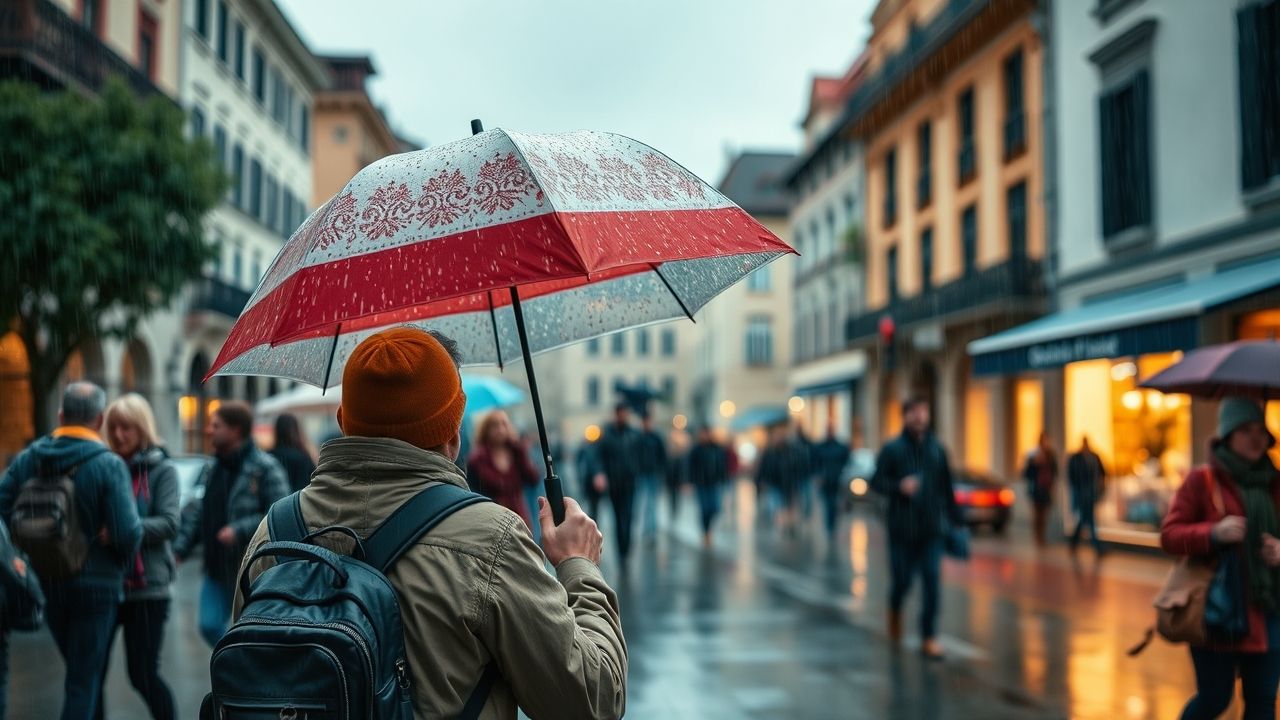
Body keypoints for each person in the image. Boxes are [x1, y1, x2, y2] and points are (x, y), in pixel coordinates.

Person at [233, 327, 627, 718]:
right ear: (453, 431)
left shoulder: (274, 531)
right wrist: (580, 566)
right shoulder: (492, 539)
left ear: (343, 420)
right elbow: (593, 701)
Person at [0, 382, 142, 720]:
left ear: (61, 415)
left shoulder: (28, 459)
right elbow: (128, 533)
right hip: (98, 586)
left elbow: (3, 511)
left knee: (78, 674)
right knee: (82, 681)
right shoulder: (108, 464)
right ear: (99, 419)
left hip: (48, 578)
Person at [1163, 397, 1280, 720]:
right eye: (1245, 430)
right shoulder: (1202, 480)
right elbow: (1170, 535)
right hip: (1220, 611)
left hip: (1269, 608)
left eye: (1261, 431)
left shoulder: (1275, 481)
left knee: (1262, 701)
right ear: (1227, 434)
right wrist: (1214, 533)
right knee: (1215, 699)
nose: (1256, 439)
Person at [174, 401, 287, 648]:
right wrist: (180, 549)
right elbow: (199, 514)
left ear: (235, 430)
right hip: (216, 567)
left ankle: (243, 667)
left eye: (216, 425)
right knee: (209, 625)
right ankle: (236, 661)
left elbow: (279, 514)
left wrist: (239, 529)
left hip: (248, 568)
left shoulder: (265, 468)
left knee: (248, 631)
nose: (209, 430)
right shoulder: (213, 467)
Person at [95, 394, 179, 720]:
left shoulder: (162, 470)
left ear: (141, 428)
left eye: (126, 427)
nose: (118, 435)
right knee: (94, 672)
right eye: (113, 427)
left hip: (148, 588)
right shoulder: (105, 468)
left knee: (142, 674)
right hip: (108, 581)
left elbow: (170, 523)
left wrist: (122, 530)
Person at [870, 396, 961, 660]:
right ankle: (895, 609)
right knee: (903, 581)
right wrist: (899, 487)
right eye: (914, 412)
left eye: (924, 410)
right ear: (905, 416)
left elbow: (947, 488)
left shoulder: (937, 449)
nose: (920, 416)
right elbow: (876, 482)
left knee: (932, 581)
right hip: (902, 530)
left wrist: (956, 523)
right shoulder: (893, 449)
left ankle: (929, 636)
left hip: (932, 529)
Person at [468, 411, 540, 527]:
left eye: (504, 424)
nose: (500, 429)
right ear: (486, 429)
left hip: (519, 518)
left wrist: (521, 453)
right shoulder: (477, 459)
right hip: (492, 520)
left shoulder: (516, 452)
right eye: (495, 425)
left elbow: (533, 478)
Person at [595, 403, 641, 564]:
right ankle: (621, 551)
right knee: (617, 518)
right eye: (621, 413)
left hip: (630, 483)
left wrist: (637, 470)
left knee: (628, 516)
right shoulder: (607, 434)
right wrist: (600, 474)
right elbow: (599, 456)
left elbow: (639, 456)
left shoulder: (634, 434)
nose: (623, 416)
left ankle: (626, 549)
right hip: (614, 484)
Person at [686, 427, 729, 547]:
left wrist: (723, 479)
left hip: (714, 483)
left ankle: (708, 529)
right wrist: (689, 482)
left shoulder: (717, 448)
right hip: (701, 484)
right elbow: (690, 466)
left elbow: (722, 465)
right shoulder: (696, 450)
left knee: (715, 508)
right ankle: (705, 532)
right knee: (704, 509)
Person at [1067, 436, 1106, 555]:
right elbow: (1071, 476)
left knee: (1085, 518)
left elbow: (1102, 472)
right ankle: (1096, 545)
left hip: (1091, 493)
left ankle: (1075, 542)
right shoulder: (1075, 458)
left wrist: (1100, 487)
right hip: (1081, 493)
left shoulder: (1094, 457)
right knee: (1089, 519)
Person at [634, 413, 668, 542]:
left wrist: (662, 472)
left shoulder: (656, 438)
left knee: (652, 504)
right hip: (641, 474)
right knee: (642, 503)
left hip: (653, 474)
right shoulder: (639, 437)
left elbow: (663, 457)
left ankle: (651, 530)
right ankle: (646, 529)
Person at [813, 427, 852, 537]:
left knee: (834, 503)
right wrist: (818, 475)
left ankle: (832, 525)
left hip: (837, 480)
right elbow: (815, 462)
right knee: (828, 504)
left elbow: (847, 462)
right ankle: (829, 526)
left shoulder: (841, 447)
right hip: (825, 480)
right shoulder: (821, 447)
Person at [1023, 433, 1059, 546]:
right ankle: (1038, 537)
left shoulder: (1051, 455)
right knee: (1037, 513)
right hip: (1036, 489)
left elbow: (1055, 471)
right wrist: (1035, 464)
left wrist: (1053, 486)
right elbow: (1026, 473)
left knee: (1044, 513)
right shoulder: (1033, 456)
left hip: (1046, 488)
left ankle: (1042, 535)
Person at [269, 413, 316, 493]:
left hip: (274, 503)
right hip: (299, 503)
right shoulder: (303, 457)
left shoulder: (269, 457)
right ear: (296, 430)